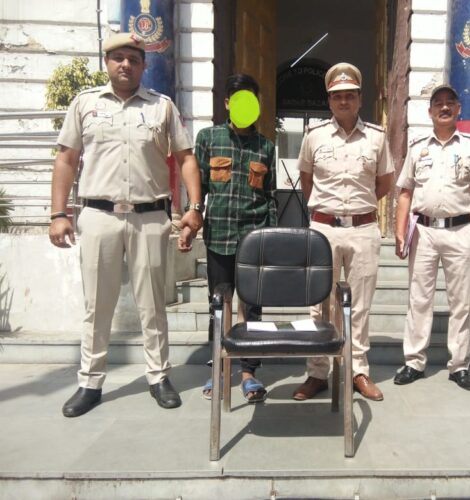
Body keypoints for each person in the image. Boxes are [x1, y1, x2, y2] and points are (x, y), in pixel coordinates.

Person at [50, 33, 203, 417]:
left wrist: (194, 208)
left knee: (153, 305)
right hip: (98, 216)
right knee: (97, 305)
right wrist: (58, 214)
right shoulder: (85, 104)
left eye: (133, 59)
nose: (125, 65)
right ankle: (90, 382)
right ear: (106, 62)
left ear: (143, 65)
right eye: (118, 58)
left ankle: (159, 376)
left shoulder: (161, 107)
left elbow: (186, 158)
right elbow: (66, 159)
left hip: (149, 218)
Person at [293, 62, 394, 402]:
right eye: (337, 96)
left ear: (360, 99)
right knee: (319, 303)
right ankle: (317, 372)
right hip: (323, 228)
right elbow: (307, 181)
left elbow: (384, 183)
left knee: (360, 305)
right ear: (329, 100)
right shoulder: (314, 136)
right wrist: (330, 211)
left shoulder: (377, 137)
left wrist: (357, 210)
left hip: (363, 229)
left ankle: (357, 371)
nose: (344, 101)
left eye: (350, 95)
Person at [179, 74, 276, 403]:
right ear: (227, 103)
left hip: (254, 239)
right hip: (219, 236)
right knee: (219, 305)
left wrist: (271, 239)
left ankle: (249, 373)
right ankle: (219, 369)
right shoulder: (208, 138)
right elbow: (199, 189)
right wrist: (190, 224)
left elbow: (271, 198)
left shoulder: (266, 147)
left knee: (252, 308)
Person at [393, 84, 470, 390]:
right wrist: (400, 231)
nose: (444, 107)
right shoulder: (417, 147)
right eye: (438, 103)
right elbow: (405, 192)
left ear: (458, 109)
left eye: (450, 102)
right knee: (419, 300)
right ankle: (414, 362)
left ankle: (459, 366)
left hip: (460, 231)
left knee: (460, 302)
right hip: (424, 232)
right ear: (430, 111)